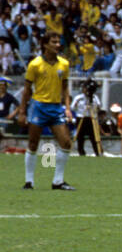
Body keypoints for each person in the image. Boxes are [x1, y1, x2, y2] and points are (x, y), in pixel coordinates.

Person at [18, 36, 76, 190]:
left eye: (58, 42)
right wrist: (22, 111)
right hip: (39, 107)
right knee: (33, 143)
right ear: (45, 44)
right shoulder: (35, 64)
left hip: (56, 108)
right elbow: (27, 90)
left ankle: (58, 181)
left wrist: (68, 108)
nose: (58, 44)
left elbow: (65, 87)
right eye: (54, 42)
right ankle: (29, 181)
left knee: (66, 143)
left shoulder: (64, 64)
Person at [71, 80, 102, 156]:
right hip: (81, 117)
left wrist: (93, 106)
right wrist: (77, 104)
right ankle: (81, 152)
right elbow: (72, 107)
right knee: (80, 136)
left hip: (91, 118)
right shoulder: (79, 97)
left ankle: (97, 152)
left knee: (94, 136)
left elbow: (99, 106)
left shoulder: (95, 97)